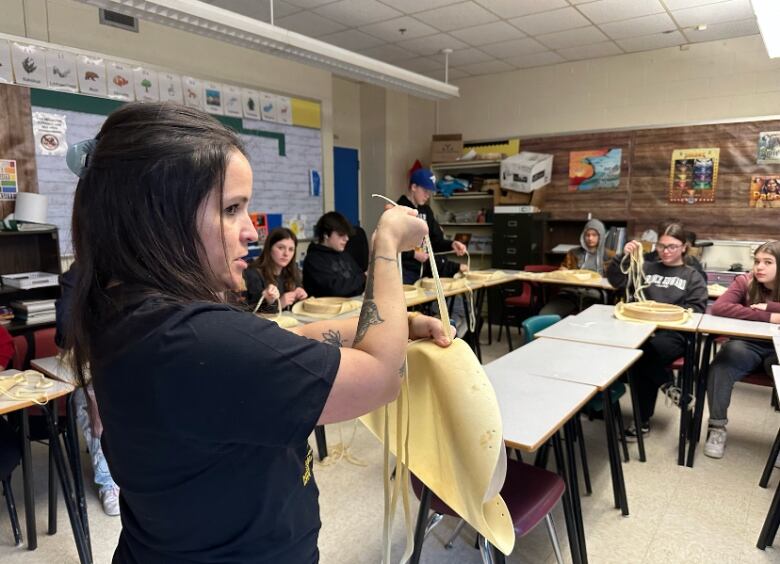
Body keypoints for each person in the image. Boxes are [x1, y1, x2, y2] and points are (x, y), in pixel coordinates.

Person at [63, 102, 451, 564]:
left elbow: (277, 350)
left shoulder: (137, 314)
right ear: (160, 218)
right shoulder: (190, 339)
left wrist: (402, 324)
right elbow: (382, 376)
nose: (251, 230)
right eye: (231, 210)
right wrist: (387, 246)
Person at [607, 221, 708, 439]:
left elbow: (697, 311)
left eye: (672, 246)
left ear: (684, 247)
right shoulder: (645, 267)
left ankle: (642, 421)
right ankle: (669, 387)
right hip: (639, 330)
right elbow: (616, 281)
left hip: (672, 335)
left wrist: (663, 317)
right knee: (639, 351)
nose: (665, 251)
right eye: (661, 246)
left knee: (642, 355)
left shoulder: (692, 276)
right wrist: (621, 257)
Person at [703, 240, 780, 459]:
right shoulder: (745, 281)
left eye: (768, 262)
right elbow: (719, 307)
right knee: (722, 363)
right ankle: (717, 428)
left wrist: (772, 306)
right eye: (757, 261)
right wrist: (770, 316)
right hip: (747, 345)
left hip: (777, 348)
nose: (759, 267)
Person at [55, 264, 121, 516]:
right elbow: (65, 329)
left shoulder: (144, 261)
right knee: (93, 395)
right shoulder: (81, 272)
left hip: (136, 356)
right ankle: (109, 481)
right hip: (93, 361)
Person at [397, 168, 467, 285]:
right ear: (414, 187)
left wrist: (451, 244)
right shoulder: (398, 209)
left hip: (424, 268)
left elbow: (436, 241)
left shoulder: (426, 210)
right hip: (405, 270)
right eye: (425, 190)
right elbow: (391, 245)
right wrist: (413, 254)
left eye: (429, 192)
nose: (428, 195)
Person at [540, 218, 613, 317]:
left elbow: (615, 279)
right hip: (570, 293)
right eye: (587, 235)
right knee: (545, 315)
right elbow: (562, 271)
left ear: (601, 236)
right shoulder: (573, 253)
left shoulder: (609, 256)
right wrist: (562, 272)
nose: (590, 238)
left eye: (594, 235)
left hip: (594, 296)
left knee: (586, 322)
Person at [302, 211, 366, 298]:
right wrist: (362, 278)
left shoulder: (345, 255)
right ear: (326, 235)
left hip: (352, 305)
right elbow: (335, 290)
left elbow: (362, 282)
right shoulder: (314, 260)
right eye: (341, 234)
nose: (346, 239)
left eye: (347, 234)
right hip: (327, 309)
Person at [244, 227, 307, 312]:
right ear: (269, 248)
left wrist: (300, 297)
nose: (286, 254)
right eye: (281, 248)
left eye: (291, 249)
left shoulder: (292, 270)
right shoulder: (253, 273)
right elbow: (252, 312)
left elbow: (294, 309)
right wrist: (279, 304)